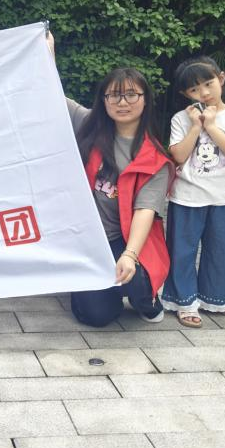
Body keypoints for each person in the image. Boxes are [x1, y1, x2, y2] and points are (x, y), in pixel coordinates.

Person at [67, 65, 173, 326]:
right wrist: (46, 52)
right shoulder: (89, 125)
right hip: (89, 240)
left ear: (145, 99)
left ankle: (146, 300)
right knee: (97, 316)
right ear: (104, 101)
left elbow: (144, 211)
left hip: (124, 238)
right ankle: (102, 289)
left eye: (131, 95)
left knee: (137, 280)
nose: (122, 102)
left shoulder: (155, 158)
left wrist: (130, 254)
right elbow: (51, 93)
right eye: (114, 95)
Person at [160, 56, 225, 327]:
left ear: (221, 79)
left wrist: (211, 126)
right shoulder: (181, 119)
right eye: (194, 89)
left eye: (208, 83)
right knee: (181, 251)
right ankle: (184, 302)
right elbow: (178, 156)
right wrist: (196, 126)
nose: (204, 93)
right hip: (186, 198)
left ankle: (220, 300)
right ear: (185, 94)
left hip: (223, 198)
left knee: (222, 251)